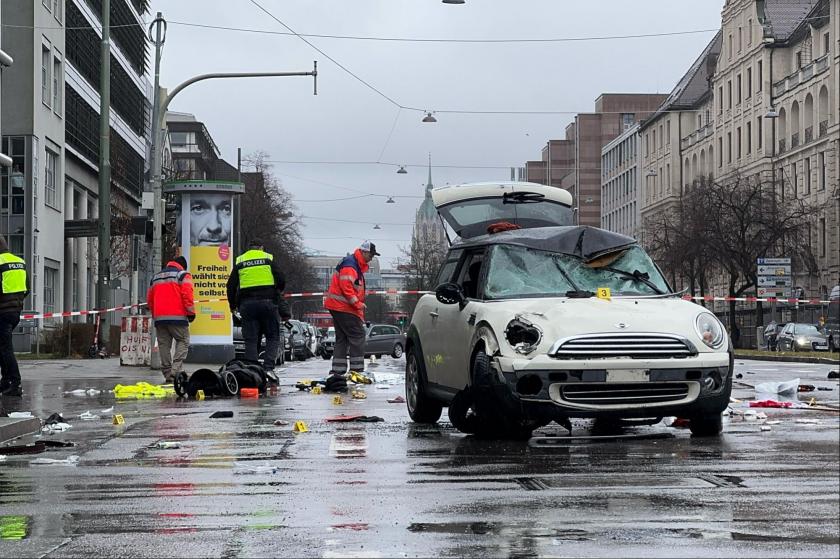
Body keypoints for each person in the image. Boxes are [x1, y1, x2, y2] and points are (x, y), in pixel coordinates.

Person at [324, 241, 379, 392]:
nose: (371, 258)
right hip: (345, 307)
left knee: (342, 338)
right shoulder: (351, 264)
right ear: (365, 252)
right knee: (357, 336)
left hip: (337, 306)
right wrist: (357, 304)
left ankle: (338, 371)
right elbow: (346, 287)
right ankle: (356, 370)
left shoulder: (352, 263)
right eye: (371, 255)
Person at [227, 238, 291, 371]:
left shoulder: (241, 260)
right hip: (268, 303)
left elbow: (231, 286)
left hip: (247, 305)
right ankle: (268, 369)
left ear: (249, 248)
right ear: (261, 248)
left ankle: (252, 370)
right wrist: (277, 291)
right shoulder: (268, 258)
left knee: (250, 339)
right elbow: (281, 278)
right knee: (272, 336)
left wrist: (232, 305)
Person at [147, 256, 195, 383]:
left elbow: (150, 300)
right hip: (178, 317)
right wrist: (191, 313)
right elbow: (187, 295)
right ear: (183, 266)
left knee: (164, 345)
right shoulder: (182, 275)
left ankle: (168, 373)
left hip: (160, 318)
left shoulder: (155, 277)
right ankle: (175, 370)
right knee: (183, 340)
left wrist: (155, 315)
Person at [0, 236, 28, 397]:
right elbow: (27, 288)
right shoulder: (20, 262)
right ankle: (5, 382)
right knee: (2, 347)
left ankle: (15, 383)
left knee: (5, 349)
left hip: (2, 312)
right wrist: (16, 303)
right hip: (15, 312)